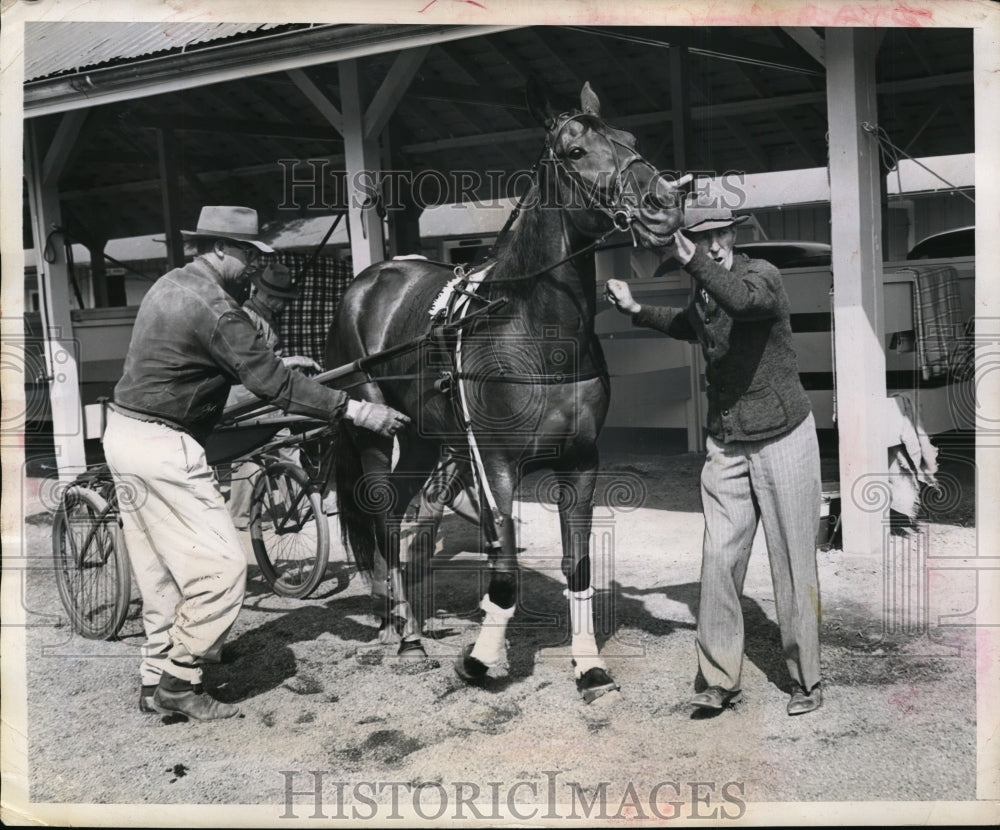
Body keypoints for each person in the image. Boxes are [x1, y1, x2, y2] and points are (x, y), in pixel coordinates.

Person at [103, 206, 409, 722]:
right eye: (247, 254)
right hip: (165, 447)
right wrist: (359, 409)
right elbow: (274, 386)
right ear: (220, 248)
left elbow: (223, 364)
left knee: (159, 571)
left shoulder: (171, 285)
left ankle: (153, 677)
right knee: (222, 570)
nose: (253, 265)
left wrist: (276, 366)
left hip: (125, 432)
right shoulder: (217, 307)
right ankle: (181, 681)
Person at [605, 204, 823, 716]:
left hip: (783, 433)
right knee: (719, 560)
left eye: (721, 235)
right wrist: (638, 309)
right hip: (727, 438)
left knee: (793, 561)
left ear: (732, 235)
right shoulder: (704, 284)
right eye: (704, 240)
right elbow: (693, 325)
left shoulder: (760, 275)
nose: (716, 245)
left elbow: (744, 305)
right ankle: (720, 678)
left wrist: (692, 258)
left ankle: (807, 680)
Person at [226, 262, 319, 528]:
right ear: (267, 295)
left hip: (265, 394)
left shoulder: (267, 317)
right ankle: (243, 516)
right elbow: (253, 363)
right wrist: (293, 361)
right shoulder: (245, 318)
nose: (284, 305)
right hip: (246, 397)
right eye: (282, 299)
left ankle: (297, 505)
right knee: (252, 455)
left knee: (283, 448)